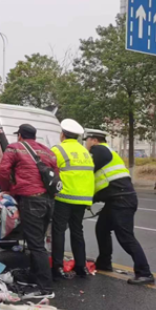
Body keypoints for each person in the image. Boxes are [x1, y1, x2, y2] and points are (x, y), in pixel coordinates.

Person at [84, 129, 154, 285]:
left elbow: (86, 172)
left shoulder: (99, 150)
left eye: (86, 140)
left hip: (121, 200)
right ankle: (104, 262)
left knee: (126, 237)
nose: (86, 144)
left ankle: (145, 272)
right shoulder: (108, 153)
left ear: (94, 140)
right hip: (116, 199)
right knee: (102, 228)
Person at [0, 124, 58, 298]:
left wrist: (6, 188)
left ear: (20, 136)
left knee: (36, 245)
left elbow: (3, 170)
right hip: (48, 200)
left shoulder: (15, 148)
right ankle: (33, 276)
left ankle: (45, 289)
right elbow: (55, 173)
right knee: (38, 241)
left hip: (31, 200)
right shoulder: (48, 151)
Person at [50, 119, 95, 280]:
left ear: (62, 135)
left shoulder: (58, 149)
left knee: (59, 231)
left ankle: (57, 267)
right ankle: (81, 267)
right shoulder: (85, 152)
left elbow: (48, 170)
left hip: (65, 196)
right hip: (83, 198)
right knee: (77, 231)